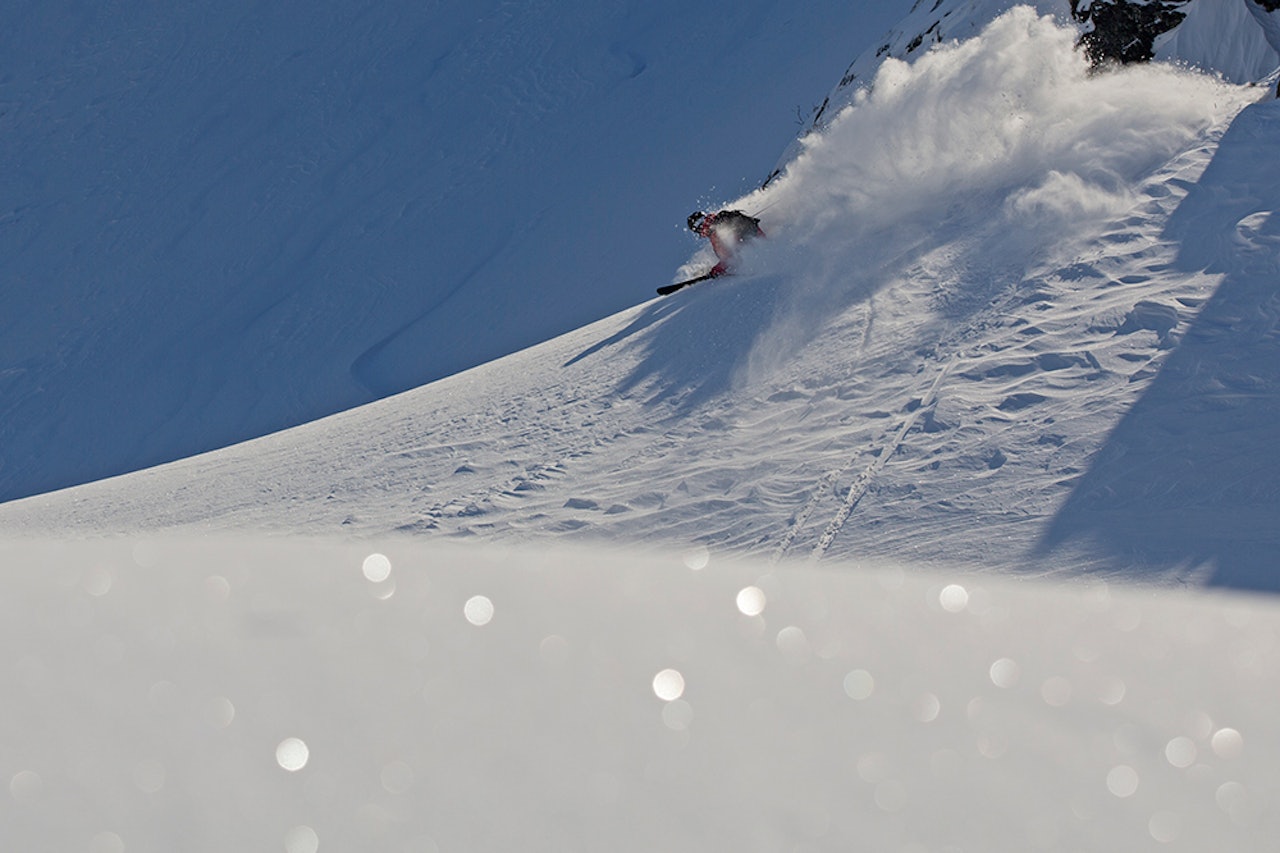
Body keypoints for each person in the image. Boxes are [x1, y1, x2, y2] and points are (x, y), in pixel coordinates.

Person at [687, 209, 764, 277]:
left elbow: (730, 258)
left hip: (753, 251)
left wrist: (717, 270)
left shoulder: (715, 232)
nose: (700, 233)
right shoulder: (721, 217)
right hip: (758, 242)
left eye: (697, 230)